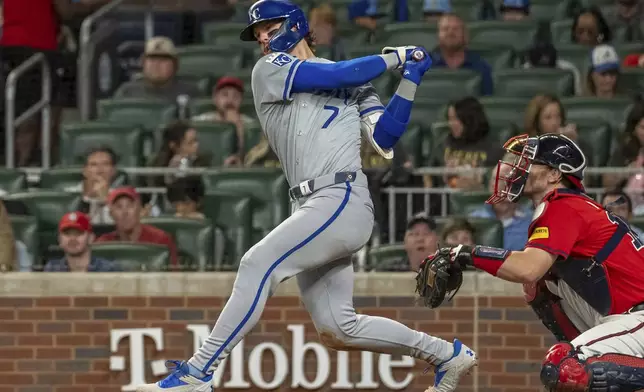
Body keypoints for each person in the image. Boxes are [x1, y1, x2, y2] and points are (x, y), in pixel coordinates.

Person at [136, 1, 477, 391]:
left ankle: (197, 375)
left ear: (296, 24)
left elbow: (384, 139)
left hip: (342, 196)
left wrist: (410, 78)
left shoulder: (350, 81)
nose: (263, 36)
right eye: (258, 32)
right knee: (338, 328)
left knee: (256, 264)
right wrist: (399, 56)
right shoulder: (269, 69)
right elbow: (340, 72)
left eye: (269, 26)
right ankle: (446, 356)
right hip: (311, 203)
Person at [429, 132, 644, 391]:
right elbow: (533, 276)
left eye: (530, 163)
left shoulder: (563, 204)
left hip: (637, 317)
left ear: (555, 175)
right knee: (541, 288)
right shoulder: (567, 205)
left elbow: (528, 268)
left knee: (565, 366)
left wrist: (463, 253)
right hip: (622, 316)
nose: (520, 168)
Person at [96, 187, 178, 267]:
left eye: (130, 206)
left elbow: (175, 275)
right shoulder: (104, 244)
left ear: (139, 209)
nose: (125, 212)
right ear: (111, 214)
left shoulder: (160, 240)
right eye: (119, 207)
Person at [469, 158, 532, 251]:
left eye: (513, 179)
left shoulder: (533, 221)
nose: (506, 184)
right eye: (501, 178)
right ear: (491, 184)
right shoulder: (474, 219)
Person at [191, 76, 256, 165]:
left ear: (241, 100)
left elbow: (251, 157)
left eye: (235, 96)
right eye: (225, 95)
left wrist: (238, 126)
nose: (230, 100)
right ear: (215, 98)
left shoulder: (250, 124)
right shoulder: (200, 122)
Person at [114, 36, 201, 102]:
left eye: (163, 59)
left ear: (175, 65)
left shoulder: (190, 92)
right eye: (152, 59)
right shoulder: (127, 92)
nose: (156, 64)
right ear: (143, 63)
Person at [431, 14, 494, 96]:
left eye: (455, 29)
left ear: (465, 36)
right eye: (445, 29)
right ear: (438, 36)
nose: (450, 33)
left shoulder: (481, 67)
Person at [44, 212, 119, 272]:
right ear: (59, 240)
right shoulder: (52, 269)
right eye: (67, 234)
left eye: (78, 233)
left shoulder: (107, 269)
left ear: (91, 238)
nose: (72, 238)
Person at [66, 146, 119, 224]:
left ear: (113, 171)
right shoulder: (69, 195)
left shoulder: (121, 197)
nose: (99, 170)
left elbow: (119, 227)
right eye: (93, 165)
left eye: (105, 164)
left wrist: (105, 199)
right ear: (84, 171)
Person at [148, 122, 209, 187]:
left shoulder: (203, 161)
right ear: (173, 145)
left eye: (196, 140)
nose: (196, 145)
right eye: (191, 142)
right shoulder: (156, 165)